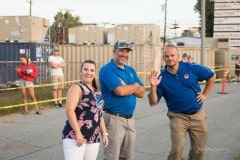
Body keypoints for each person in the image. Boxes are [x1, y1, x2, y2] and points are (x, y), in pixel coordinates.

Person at [148, 44, 216, 160]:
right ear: (163, 58)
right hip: (178, 117)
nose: (170, 58)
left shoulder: (191, 68)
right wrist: (153, 87)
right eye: (166, 56)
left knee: (199, 149)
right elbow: (153, 102)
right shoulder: (162, 78)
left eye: (172, 55)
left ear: (178, 56)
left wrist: (205, 94)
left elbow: (211, 75)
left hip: (197, 115)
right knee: (177, 149)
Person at [99, 40, 145, 160]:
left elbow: (141, 93)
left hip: (130, 119)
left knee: (126, 157)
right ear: (114, 51)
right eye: (121, 51)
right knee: (112, 157)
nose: (124, 54)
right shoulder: (107, 70)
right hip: (114, 119)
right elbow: (120, 91)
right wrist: (135, 85)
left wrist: (128, 87)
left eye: (127, 52)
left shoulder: (130, 70)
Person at [62, 60, 108, 160]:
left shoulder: (97, 92)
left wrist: (104, 133)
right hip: (75, 136)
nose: (88, 72)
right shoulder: (77, 88)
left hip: (93, 137)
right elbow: (69, 110)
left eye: (92, 70)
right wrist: (78, 133)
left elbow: (99, 114)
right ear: (80, 71)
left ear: (95, 73)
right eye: (85, 69)